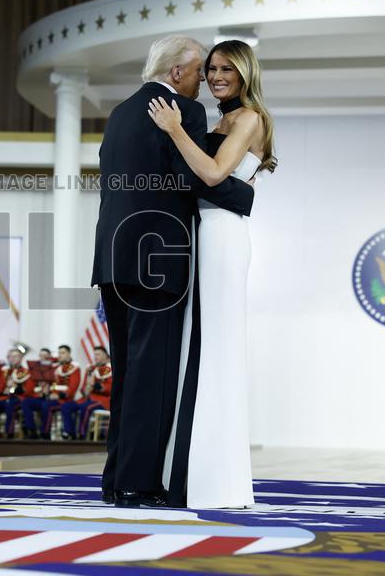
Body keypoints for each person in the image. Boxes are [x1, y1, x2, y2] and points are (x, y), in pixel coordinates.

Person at [91, 36, 255, 508]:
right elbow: (196, 178)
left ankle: (115, 478)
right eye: (202, 72)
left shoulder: (120, 113)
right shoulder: (183, 111)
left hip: (114, 260)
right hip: (159, 263)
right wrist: (247, 196)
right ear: (179, 72)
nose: (205, 82)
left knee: (125, 374)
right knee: (154, 376)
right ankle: (138, 484)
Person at [148, 39, 276, 509]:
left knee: (216, 351)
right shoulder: (220, 119)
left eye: (227, 69)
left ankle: (216, 482)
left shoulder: (248, 119)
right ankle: (189, 476)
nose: (217, 77)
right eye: (212, 69)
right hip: (201, 235)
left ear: (245, 74)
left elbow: (215, 174)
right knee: (194, 353)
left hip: (222, 239)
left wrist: (176, 130)